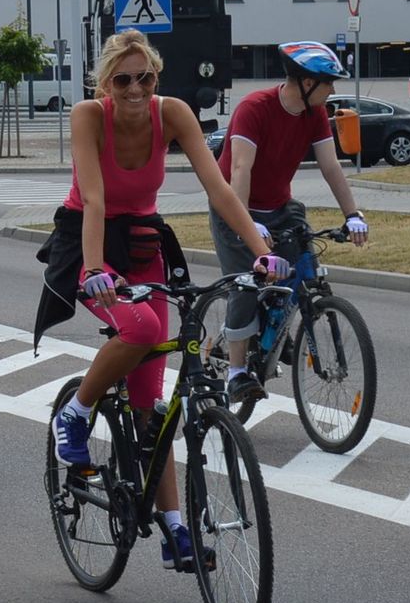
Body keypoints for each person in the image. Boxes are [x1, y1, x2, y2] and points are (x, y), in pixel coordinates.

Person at [35, 30, 287, 568]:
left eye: (144, 77)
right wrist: (98, 268)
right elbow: (96, 197)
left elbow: (218, 189)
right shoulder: (88, 116)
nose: (134, 88)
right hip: (89, 243)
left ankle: (176, 531)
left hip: (146, 243)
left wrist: (261, 252)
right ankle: (76, 414)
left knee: (153, 408)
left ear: (156, 77)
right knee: (143, 331)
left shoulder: (171, 112)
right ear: (106, 82)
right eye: (122, 79)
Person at [209, 40, 367, 403]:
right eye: (328, 83)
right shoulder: (255, 108)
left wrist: (352, 214)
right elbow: (239, 168)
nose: (333, 90)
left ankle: (283, 326)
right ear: (305, 82)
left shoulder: (315, 115)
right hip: (234, 204)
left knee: (305, 270)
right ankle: (235, 372)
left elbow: (330, 167)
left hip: (280, 205)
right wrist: (245, 220)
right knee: (248, 283)